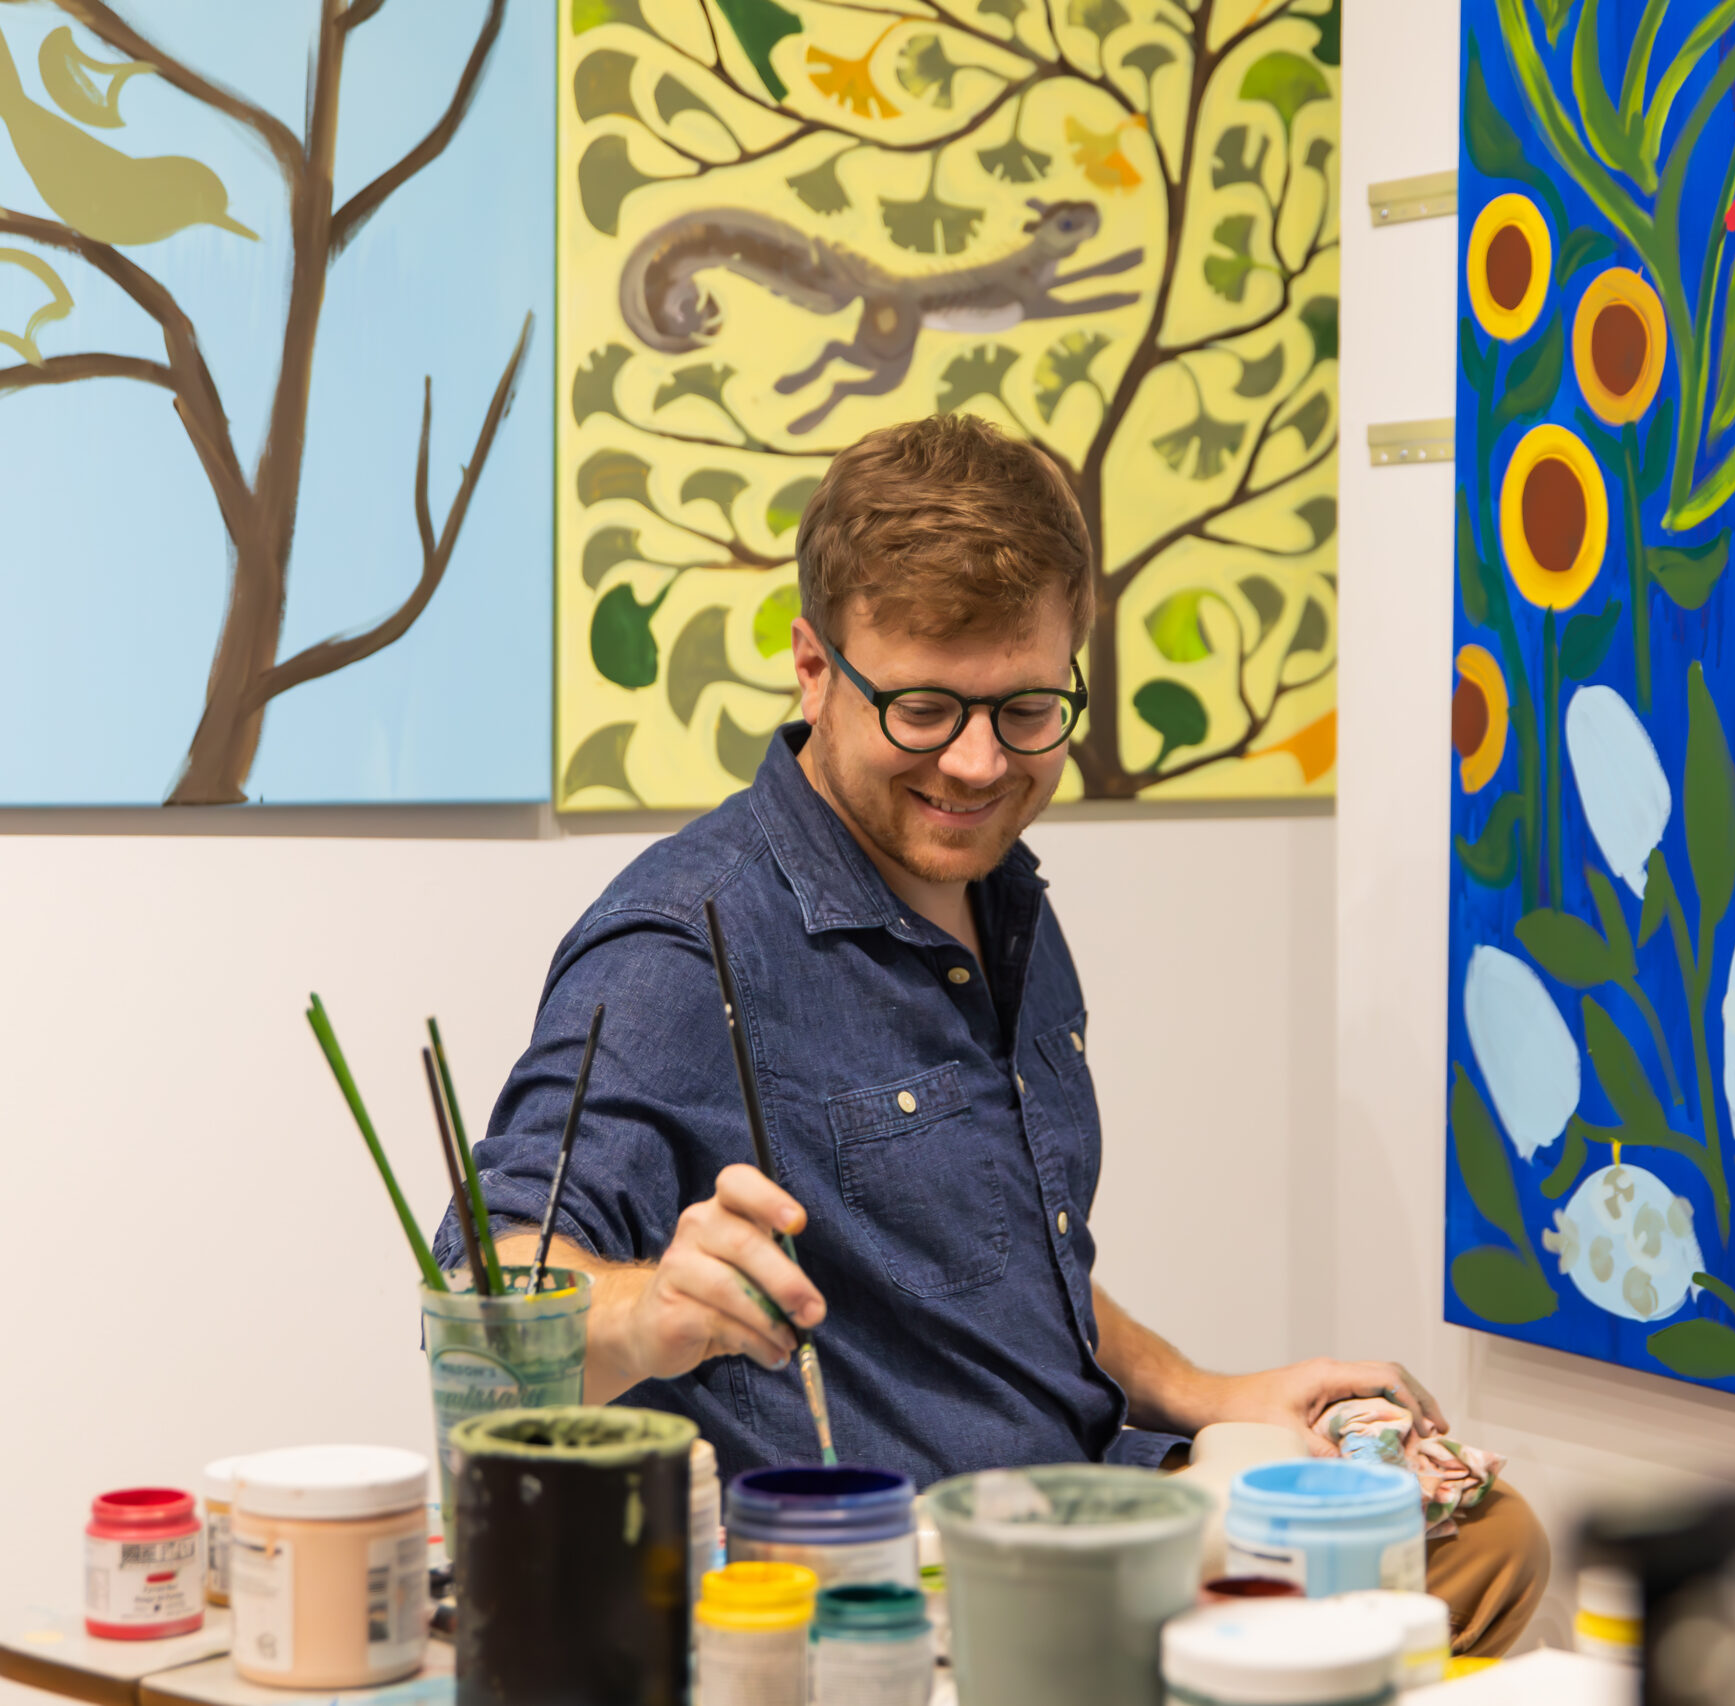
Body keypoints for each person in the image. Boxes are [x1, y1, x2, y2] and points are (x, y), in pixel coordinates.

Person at [441, 415, 1547, 1652]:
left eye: (1027, 708)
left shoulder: (1001, 896)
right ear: (814, 668)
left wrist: (1210, 1392)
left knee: (1483, 1533)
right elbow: (491, 1298)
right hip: (907, 1592)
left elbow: (1001, 1259)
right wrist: (650, 1311)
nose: (976, 764)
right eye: (921, 709)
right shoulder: (683, 943)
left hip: (1085, 1497)